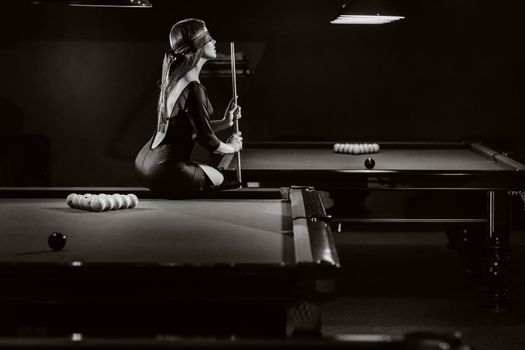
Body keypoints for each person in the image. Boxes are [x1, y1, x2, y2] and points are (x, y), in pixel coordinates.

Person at [134, 18, 242, 197]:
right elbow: (209, 142)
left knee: (206, 171)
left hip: (144, 164)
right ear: (197, 45)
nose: (214, 41)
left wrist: (225, 122)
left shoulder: (174, 80)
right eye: (208, 37)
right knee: (221, 179)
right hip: (165, 171)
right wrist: (232, 147)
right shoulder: (193, 87)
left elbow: (189, 128)